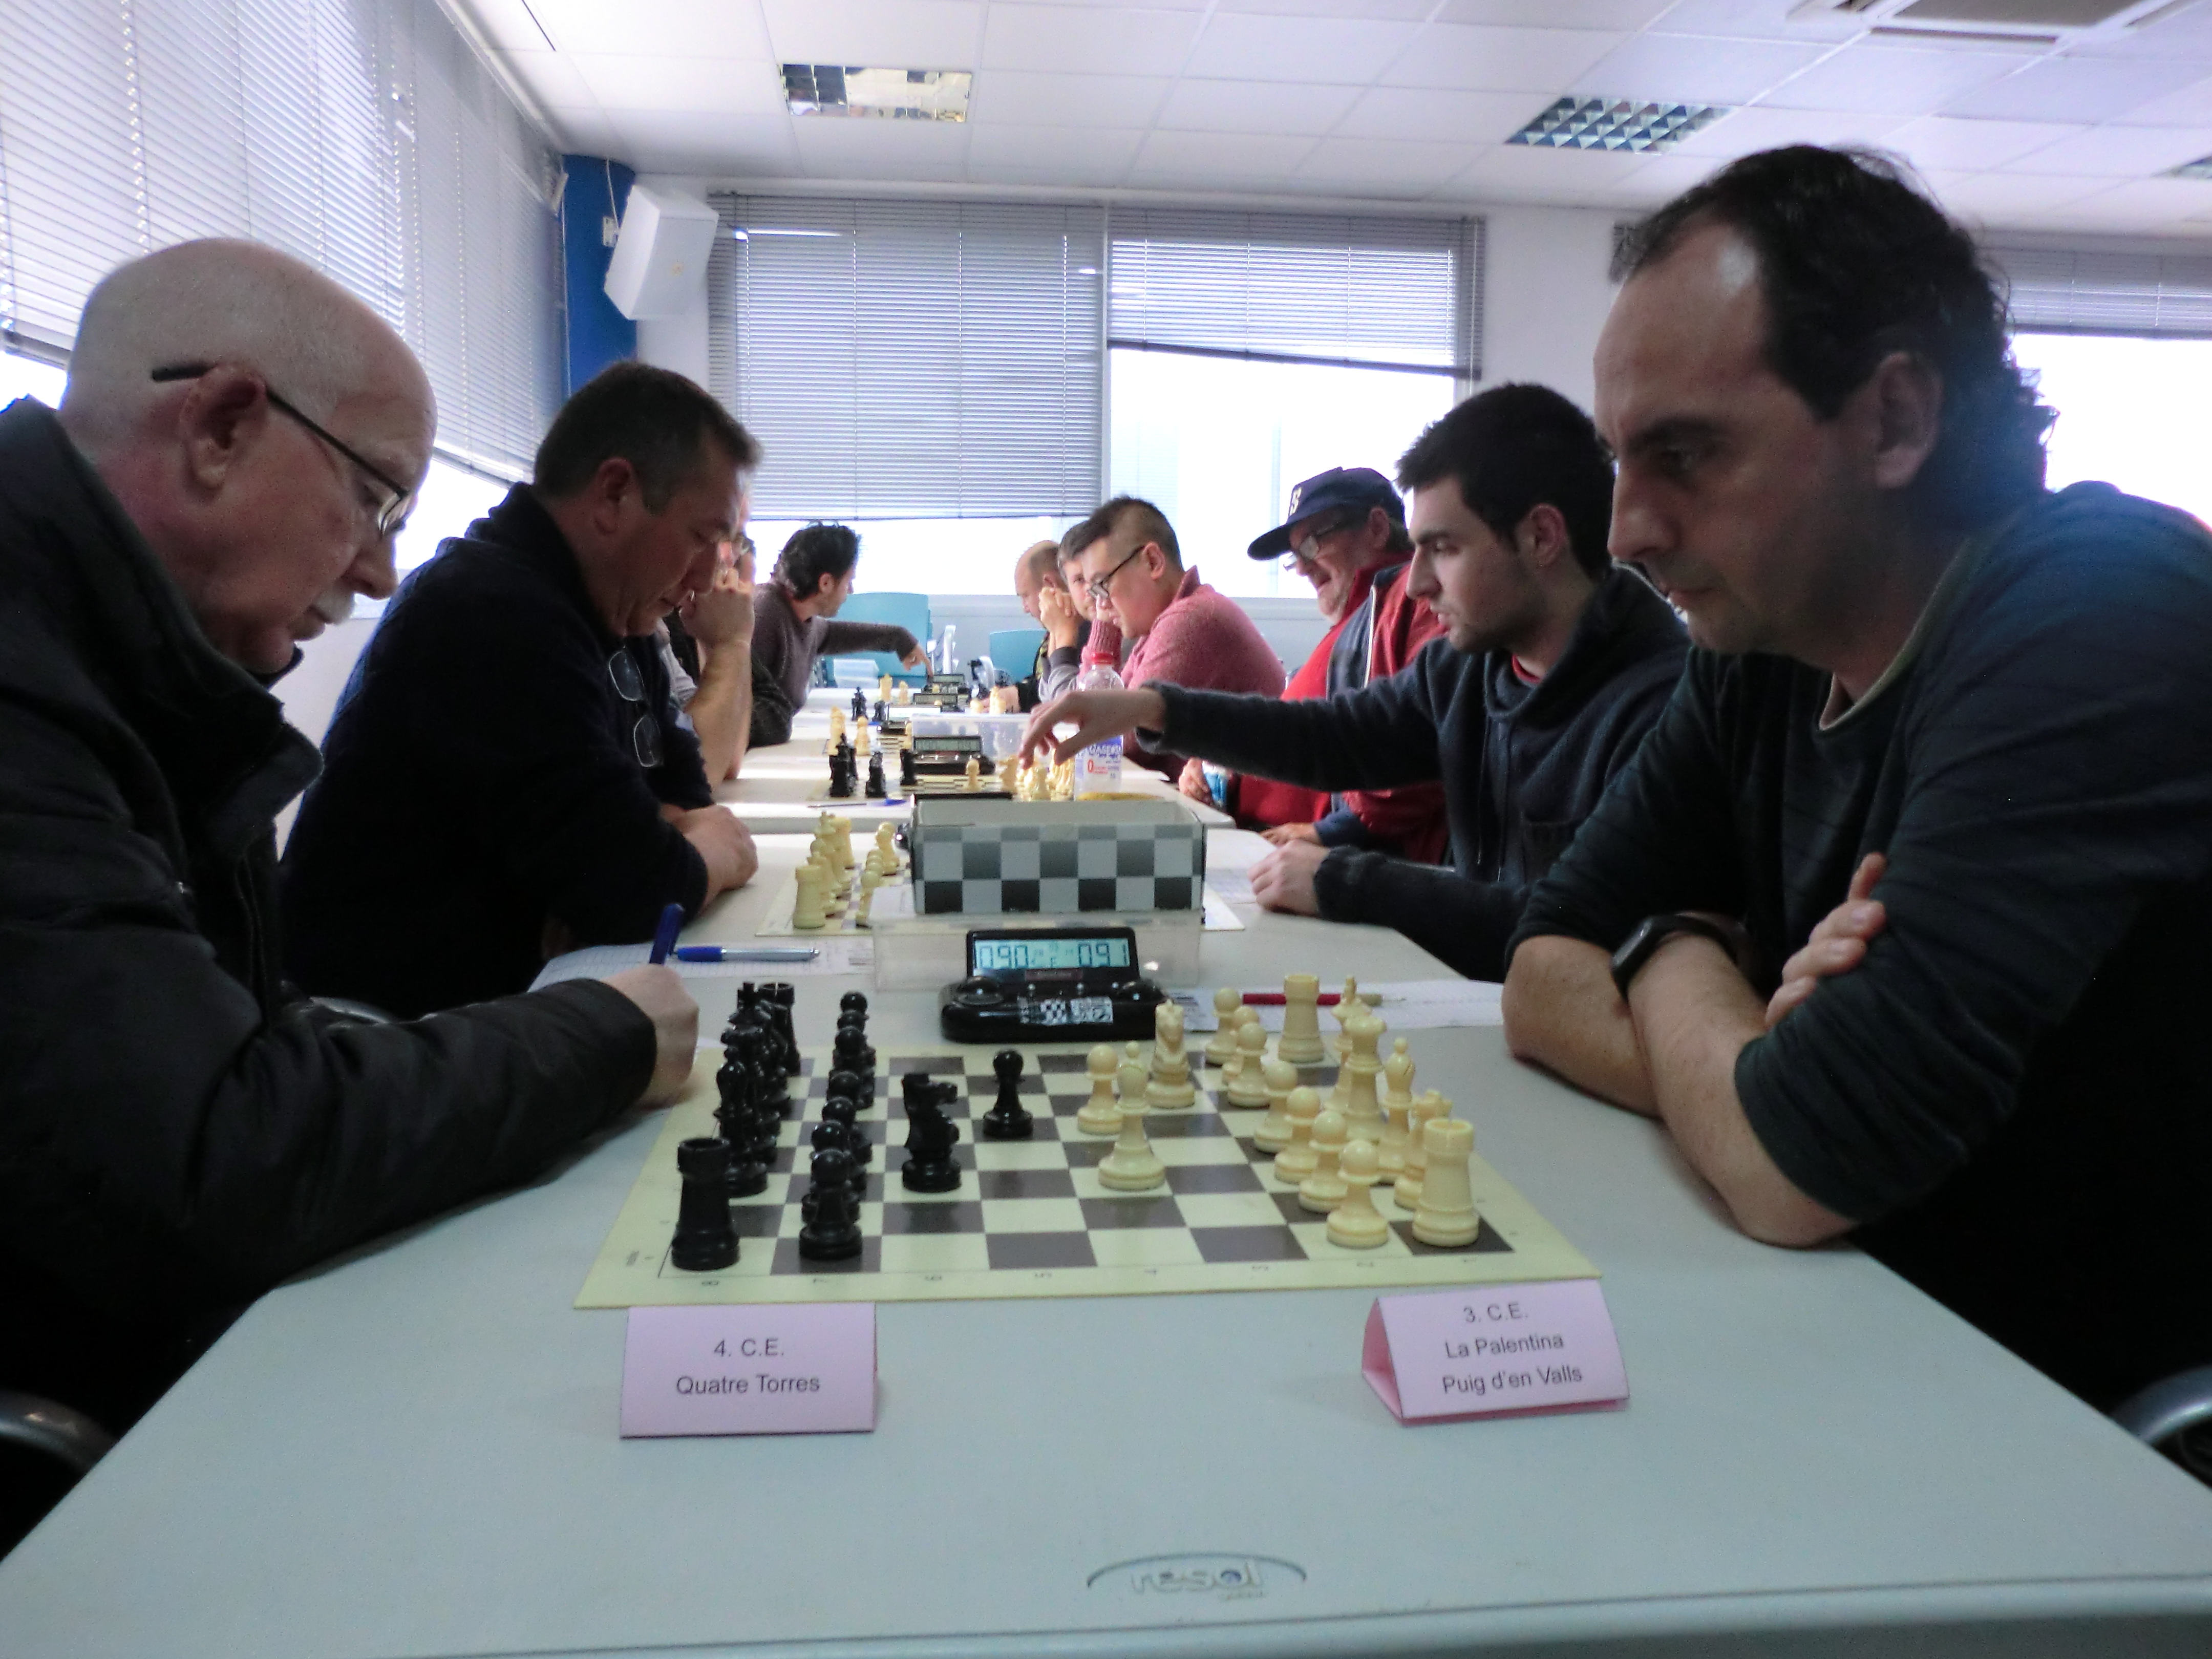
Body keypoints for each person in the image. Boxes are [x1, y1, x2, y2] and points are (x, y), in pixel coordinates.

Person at [1500, 145, 2212, 1411]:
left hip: (2076, 1422)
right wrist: (1749, 1053)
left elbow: (1795, 1160)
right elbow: (1542, 965)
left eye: (1685, 454)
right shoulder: (1759, 645)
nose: (1627, 531)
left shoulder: (2103, 608)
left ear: (1895, 420)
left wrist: (1666, 948)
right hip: (1850, 1321)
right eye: (1619, 462)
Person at [0, 240, 696, 1450]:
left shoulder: (133, 675)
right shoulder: (29, 695)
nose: (378, 572)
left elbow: (240, 1055)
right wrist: (604, 1029)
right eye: (375, 501)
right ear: (221, 425)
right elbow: (223, 1160)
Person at [1025, 388, 1684, 979]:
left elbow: (1574, 923)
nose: (1417, 582)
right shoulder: (1471, 665)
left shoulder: (1661, 705)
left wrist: (1350, 881)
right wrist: (1155, 708)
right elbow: (1335, 736)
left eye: (1444, 549)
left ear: (1541, 537)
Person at [280, 361, 761, 1018]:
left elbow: (683, 793)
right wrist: (674, 857)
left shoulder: (616, 615)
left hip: (494, 1008)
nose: (708, 577)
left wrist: (640, 858)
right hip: (377, 1030)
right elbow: (636, 883)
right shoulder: (490, 608)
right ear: (615, 493)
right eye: (702, 537)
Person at [1182, 467, 1449, 863]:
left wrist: (1331, 832)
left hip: (1330, 860)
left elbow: (1422, 746)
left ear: (1377, 528)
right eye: (1296, 556)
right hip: (1258, 837)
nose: (1304, 568)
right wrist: (1222, 766)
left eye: (1312, 544)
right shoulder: (1354, 620)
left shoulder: (1413, 603)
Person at [1064, 495, 1284, 775]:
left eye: (1102, 584)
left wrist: (1105, 624)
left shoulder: (1192, 620)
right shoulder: (1158, 626)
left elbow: (1117, 741)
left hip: (1246, 804)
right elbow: (1093, 719)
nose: (1100, 604)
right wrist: (1106, 622)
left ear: (1153, 561)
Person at [747, 522, 926, 745]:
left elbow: (832, 634)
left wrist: (897, 638)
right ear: (826, 583)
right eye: (849, 581)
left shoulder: (801, 616)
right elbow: (738, 715)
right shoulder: (763, 615)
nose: (851, 590)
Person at [662, 533, 758, 783]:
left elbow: (726, 758)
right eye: (701, 536)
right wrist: (731, 643)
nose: (727, 559)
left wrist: (719, 642)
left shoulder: (653, 633)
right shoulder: (657, 624)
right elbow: (696, 773)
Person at [1011, 538, 1084, 708]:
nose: (1025, 608)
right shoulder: (1055, 632)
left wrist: (1023, 697)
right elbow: (1048, 689)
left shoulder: (1086, 631)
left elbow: (1066, 705)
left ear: (1050, 586)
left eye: (1025, 596)